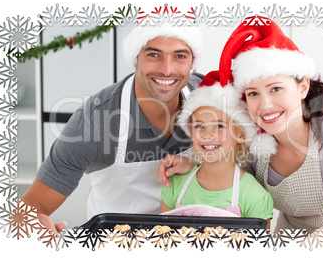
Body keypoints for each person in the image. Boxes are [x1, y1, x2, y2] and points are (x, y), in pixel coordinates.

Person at [157, 15, 323, 233]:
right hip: (284, 240)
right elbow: (219, 148)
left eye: (276, 88)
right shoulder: (256, 140)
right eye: (253, 93)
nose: (265, 105)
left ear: (303, 87)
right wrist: (190, 162)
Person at [21, 22, 205, 235]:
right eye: (154, 55)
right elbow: (28, 210)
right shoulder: (96, 119)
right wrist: (35, 226)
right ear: (136, 59)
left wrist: (195, 164)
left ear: (193, 62)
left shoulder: (211, 98)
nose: (167, 69)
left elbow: (240, 172)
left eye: (180, 56)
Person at [160, 81, 274, 228]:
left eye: (219, 126)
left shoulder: (254, 196)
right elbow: (163, 241)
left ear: (240, 134)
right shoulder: (174, 184)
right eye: (199, 126)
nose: (207, 135)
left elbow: (258, 249)